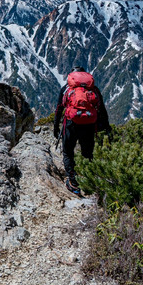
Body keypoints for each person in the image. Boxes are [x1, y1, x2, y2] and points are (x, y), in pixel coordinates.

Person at [53, 66, 110, 195]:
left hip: (71, 124)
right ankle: (89, 181)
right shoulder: (93, 89)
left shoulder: (67, 89)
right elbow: (102, 109)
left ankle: (73, 182)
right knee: (88, 153)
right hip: (89, 124)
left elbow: (58, 109)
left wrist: (56, 127)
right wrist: (106, 127)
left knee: (68, 152)